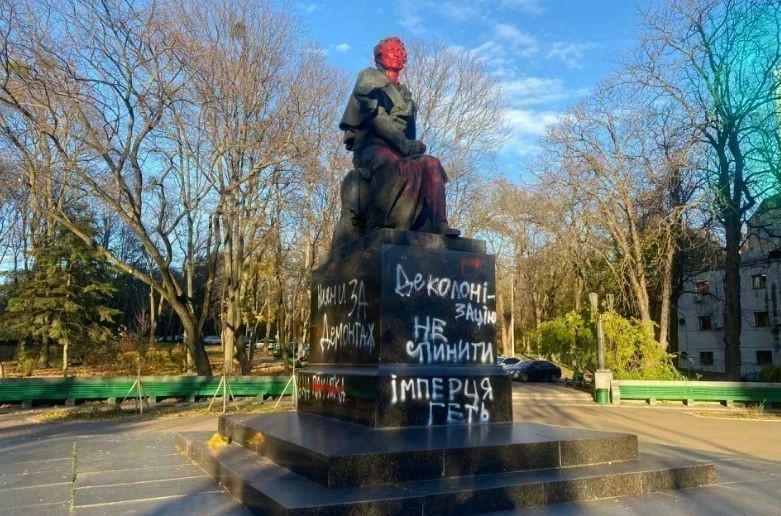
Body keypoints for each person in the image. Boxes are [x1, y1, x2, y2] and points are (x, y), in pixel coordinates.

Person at [338, 36, 460, 239]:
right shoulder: (368, 78)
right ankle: (377, 224)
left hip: (401, 149)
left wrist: (412, 147)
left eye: (399, 51)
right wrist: (405, 145)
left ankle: (439, 224)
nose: (396, 53)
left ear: (404, 60)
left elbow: (407, 130)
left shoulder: (405, 94)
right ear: (379, 56)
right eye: (390, 50)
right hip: (371, 147)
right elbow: (378, 118)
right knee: (389, 163)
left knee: (432, 164)